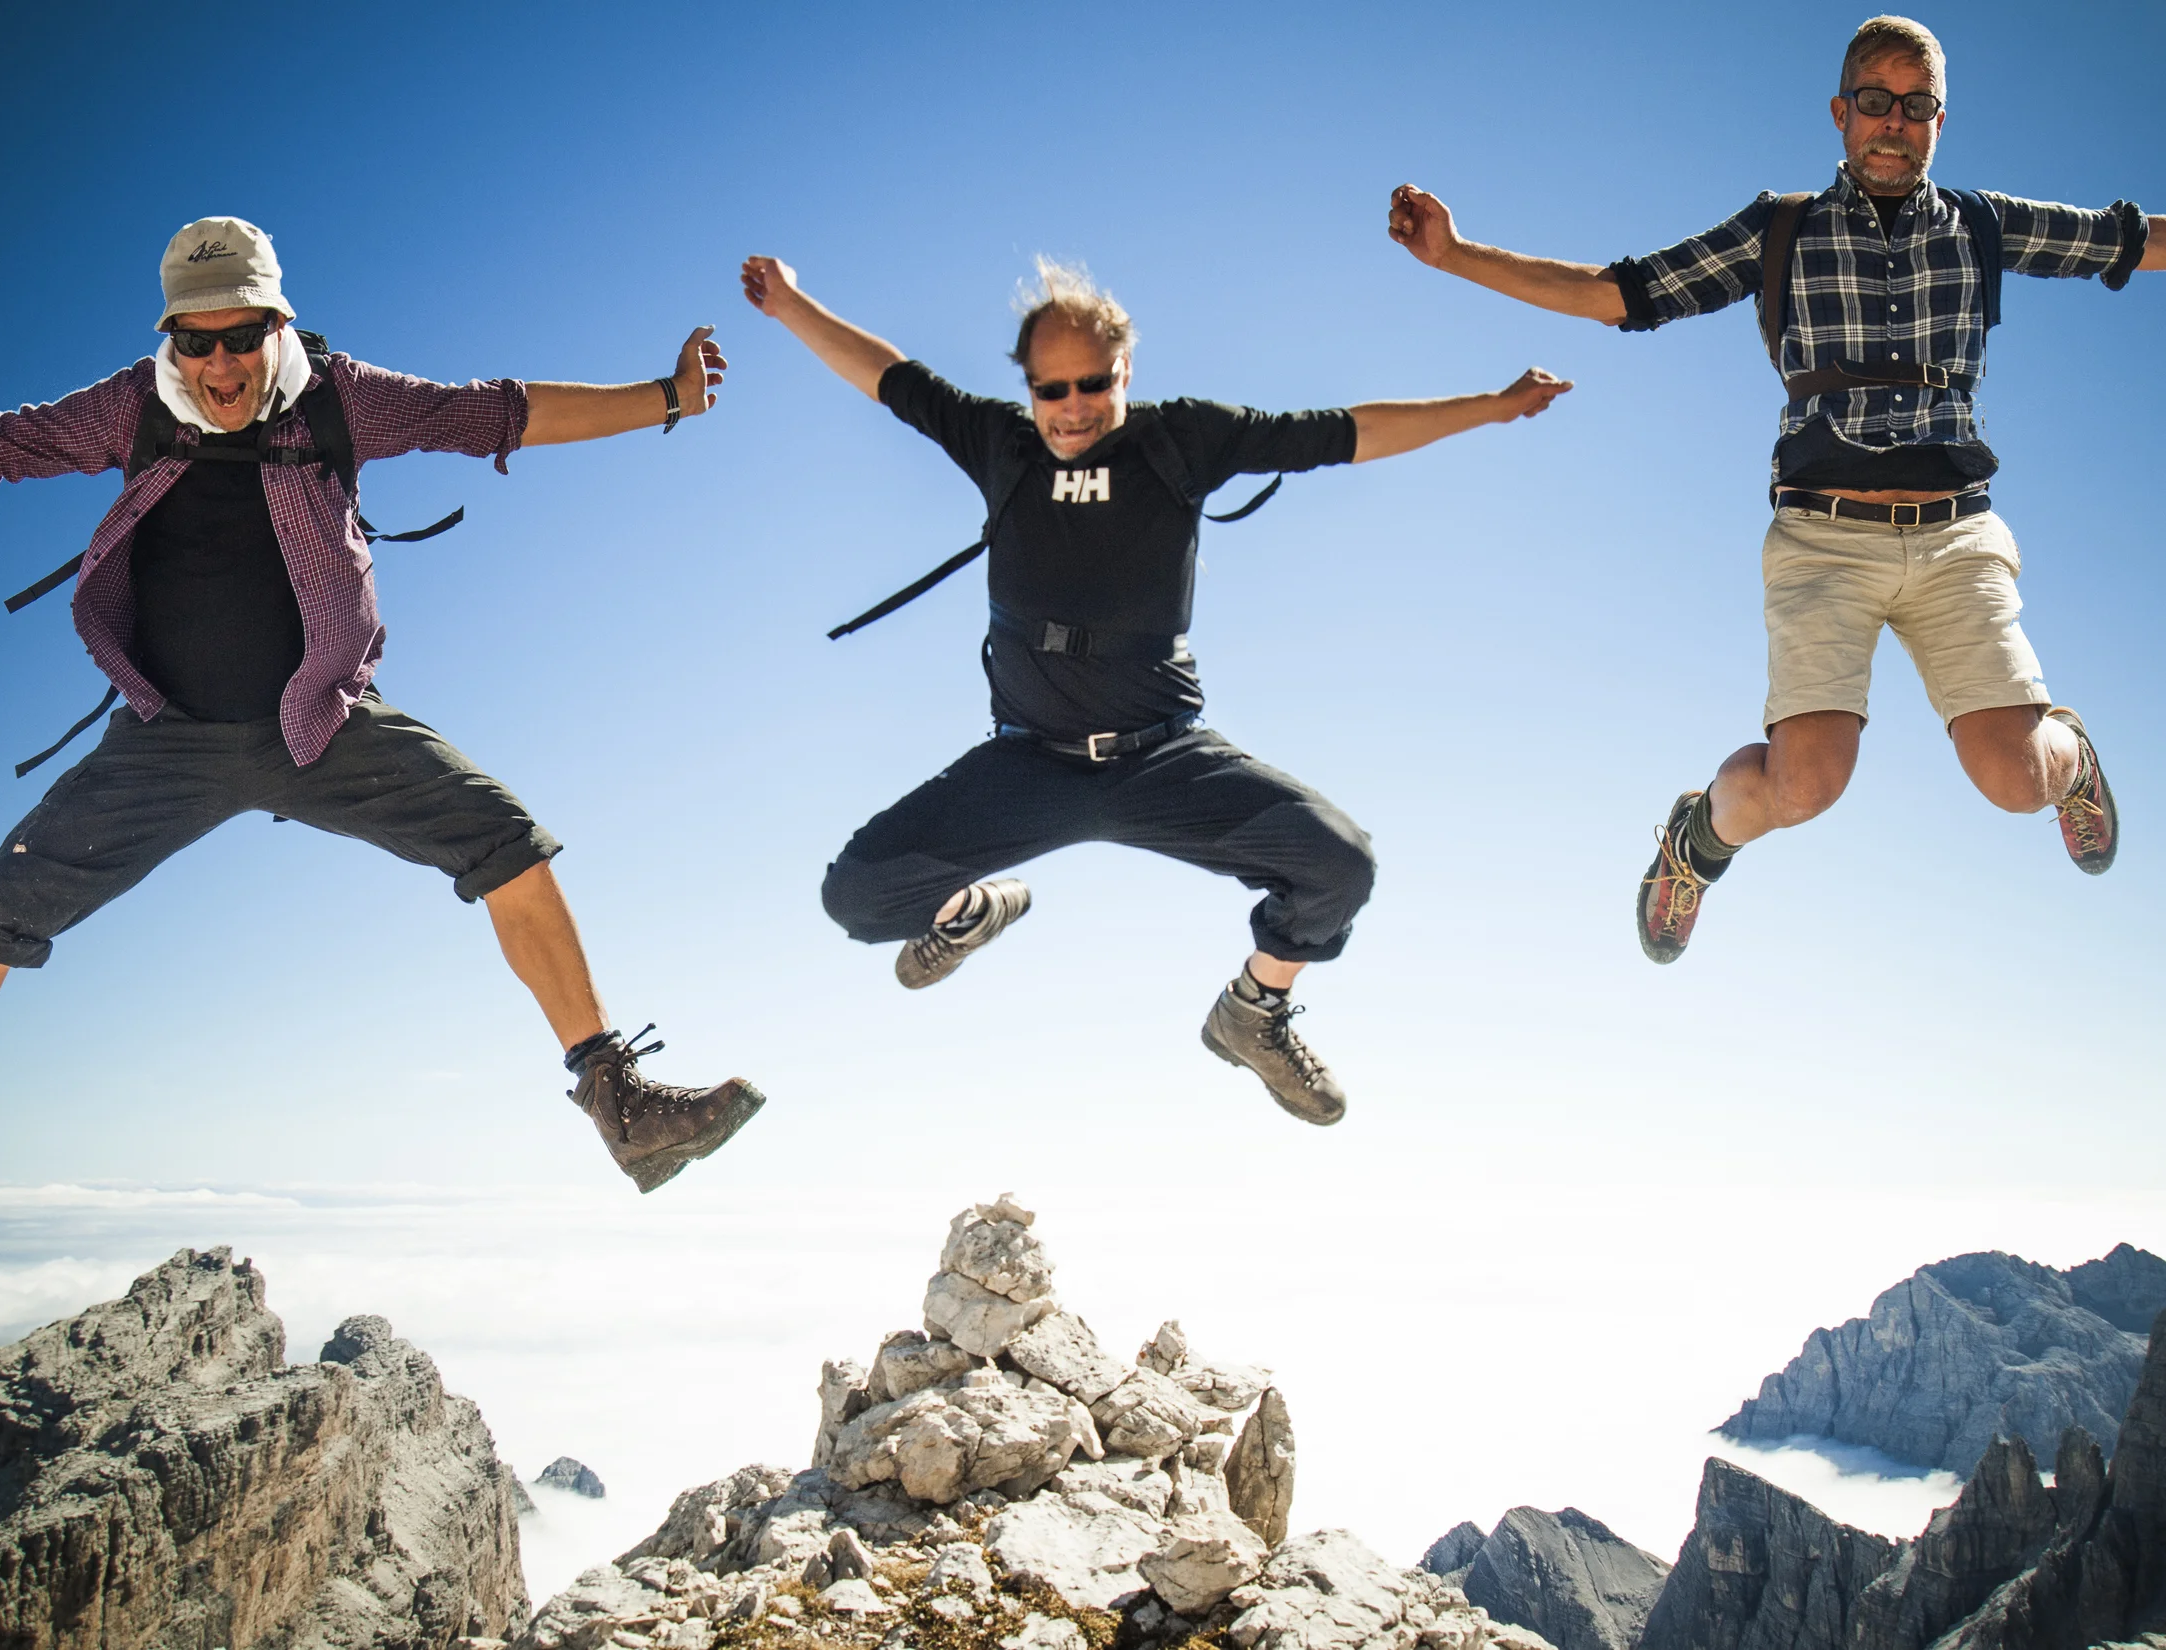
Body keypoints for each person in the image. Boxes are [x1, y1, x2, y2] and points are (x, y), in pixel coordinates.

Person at [0, 216, 763, 1192]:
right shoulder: (133, 407)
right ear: (170, 337)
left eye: (241, 336)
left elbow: (491, 416)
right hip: (167, 742)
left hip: (323, 724)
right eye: (195, 341)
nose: (219, 364)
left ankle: (623, 1107)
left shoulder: (338, 399)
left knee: (505, 841)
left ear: (277, 326)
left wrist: (668, 398)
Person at [1388, 14, 2162, 964]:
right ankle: (1695, 842)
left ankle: (2071, 760)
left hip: (1957, 538)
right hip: (1823, 540)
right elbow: (1615, 293)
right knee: (1806, 786)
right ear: (1841, 113)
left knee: (2016, 781)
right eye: (1875, 101)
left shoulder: (1981, 225)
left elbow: (2130, 241)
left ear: (1939, 121)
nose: (1893, 121)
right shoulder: (1781, 230)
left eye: (1915, 106)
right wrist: (1456, 254)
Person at [741, 252, 1569, 1122]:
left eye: (1092, 384)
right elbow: (889, 377)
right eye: (1051, 389)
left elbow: (1345, 432)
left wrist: (1492, 405)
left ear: (1124, 370)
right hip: (1028, 767)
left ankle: (1253, 1011)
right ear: (1027, 385)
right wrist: (791, 304)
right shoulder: (997, 442)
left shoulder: (1183, 440)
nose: (1072, 408)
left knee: (1339, 865)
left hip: (1164, 760)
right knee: (857, 896)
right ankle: (970, 912)